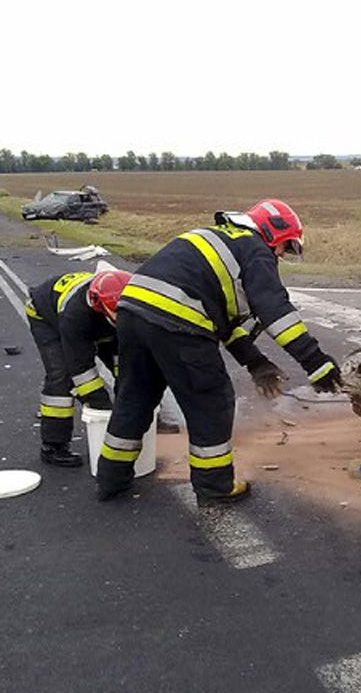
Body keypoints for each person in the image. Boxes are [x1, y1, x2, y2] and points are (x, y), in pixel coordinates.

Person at [96, 198, 342, 505]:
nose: (281, 254)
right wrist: (316, 363)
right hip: (177, 321)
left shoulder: (215, 238)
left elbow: (220, 322)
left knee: (135, 397)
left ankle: (111, 478)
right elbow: (276, 313)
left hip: (132, 311)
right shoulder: (255, 248)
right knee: (210, 401)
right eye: (285, 246)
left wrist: (257, 362)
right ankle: (215, 487)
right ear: (272, 233)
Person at [25, 269, 132, 467]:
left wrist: (132, 403)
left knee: (127, 366)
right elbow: (81, 370)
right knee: (61, 376)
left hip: (98, 323)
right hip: (47, 319)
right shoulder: (75, 317)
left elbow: (126, 359)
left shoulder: (125, 300)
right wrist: (104, 410)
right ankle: (53, 445)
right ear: (99, 305)